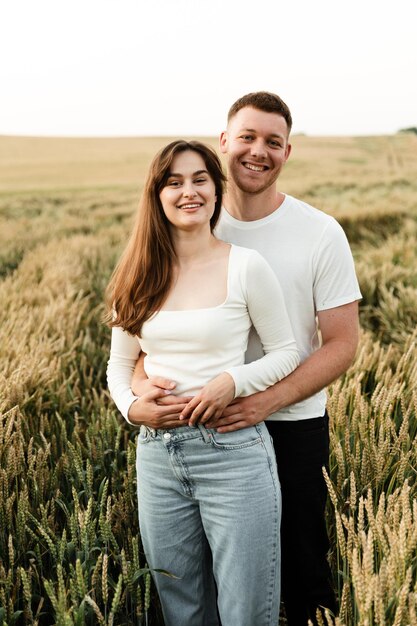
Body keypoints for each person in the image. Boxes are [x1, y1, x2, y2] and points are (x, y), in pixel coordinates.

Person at [131, 93, 362, 626]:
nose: (259, 151)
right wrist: (141, 386)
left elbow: (342, 343)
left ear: (287, 152)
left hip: (293, 426)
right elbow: (150, 338)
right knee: (201, 580)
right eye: (248, 138)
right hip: (198, 432)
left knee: (303, 576)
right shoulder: (193, 222)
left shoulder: (319, 232)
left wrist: (262, 402)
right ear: (224, 143)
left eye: (273, 142)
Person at [106, 139, 300, 626]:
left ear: (216, 190)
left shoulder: (245, 266)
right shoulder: (137, 272)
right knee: (181, 608)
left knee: (246, 612)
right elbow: (117, 366)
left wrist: (231, 381)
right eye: (174, 182)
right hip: (157, 456)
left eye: (199, 180)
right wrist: (133, 407)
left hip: (234, 455)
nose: (188, 191)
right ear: (157, 195)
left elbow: (287, 352)